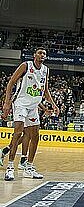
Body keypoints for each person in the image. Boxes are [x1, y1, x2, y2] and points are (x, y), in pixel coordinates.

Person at [2, 48, 59, 180]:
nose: (42, 55)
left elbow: (45, 91)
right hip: (21, 103)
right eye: (39, 53)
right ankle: (10, 167)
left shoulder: (45, 70)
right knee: (18, 133)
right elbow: (11, 83)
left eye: (44, 54)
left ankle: (29, 167)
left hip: (33, 106)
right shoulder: (25, 65)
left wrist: (54, 105)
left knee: (35, 135)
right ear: (34, 55)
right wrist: (6, 103)